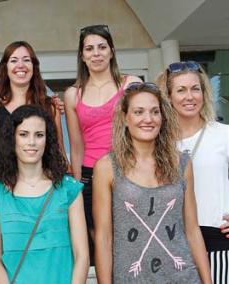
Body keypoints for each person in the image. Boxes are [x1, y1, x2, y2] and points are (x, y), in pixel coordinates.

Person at [93, 82, 211, 283]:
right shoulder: (107, 167)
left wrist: (207, 281)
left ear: (162, 118)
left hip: (183, 277)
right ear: (125, 118)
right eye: (138, 112)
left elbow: (191, 229)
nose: (148, 119)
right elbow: (104, 238)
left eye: (155, 112)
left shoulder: (181, 163)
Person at [64, 24, 142, 259]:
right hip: (89, 176)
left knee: (134, 238)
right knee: (101, 242)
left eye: (101, 47)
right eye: (89, 49)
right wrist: (76, 189)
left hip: (128, 171)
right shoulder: (72, 95)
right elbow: (76, 146)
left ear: (112, 51)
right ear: (82, 55)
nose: (96, 53)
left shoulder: (130, 84)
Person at [0, 105, 89, 283]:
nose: (32, 142)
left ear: (47, 140)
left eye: (39, 135)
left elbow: (82, 256)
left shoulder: (69, 189)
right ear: (12, 139)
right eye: (23, 134)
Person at [157, 61, 229, 283]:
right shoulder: (159, 143)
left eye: (195, 89)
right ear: (168, 97)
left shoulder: (224, 135)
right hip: (172, 245)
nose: (190, 96)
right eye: (181, 90)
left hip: (218, 241)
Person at [0, 41, 65, 188]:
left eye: (26, 60)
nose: (21, 65)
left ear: (34, 67)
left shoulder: (50, 107)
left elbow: (59, 153)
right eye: (14, 60)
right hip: (5, 191)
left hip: (46, 191)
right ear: (5, 68)